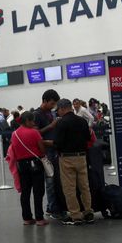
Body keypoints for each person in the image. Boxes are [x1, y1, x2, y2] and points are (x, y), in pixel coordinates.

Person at [52, 99, 95, 225]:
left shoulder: (61, 123)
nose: (58, 113)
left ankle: (75, 215)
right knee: (84, 186)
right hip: (81, 157)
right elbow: (88, 138)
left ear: (62, 108)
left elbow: (57, 143)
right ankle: (88, 212)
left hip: (67, 159)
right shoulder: (82, 121)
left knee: (69, 188)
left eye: (58, 110)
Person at [10, 111, 48, 226]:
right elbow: (42, 150)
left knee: (25, 192)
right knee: (38, 192)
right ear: (27, 121)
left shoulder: (14, 134)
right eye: (32, 120)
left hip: (22, 165)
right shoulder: (34, 133)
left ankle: (27, 218)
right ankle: (39, 218)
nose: (33, 123)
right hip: (35, 164)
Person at [33, 89, 62, 218]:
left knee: (55, 180)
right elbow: (35, 134)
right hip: (45, 152)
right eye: (51, 103)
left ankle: (52, 206)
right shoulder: (36, 114)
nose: (53, 106)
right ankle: (52, 208)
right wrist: (51, 126)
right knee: (50, 181)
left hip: (54, 150)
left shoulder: (51, 113)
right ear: (44, 101)